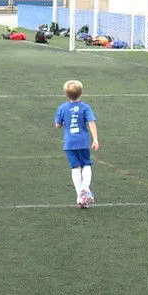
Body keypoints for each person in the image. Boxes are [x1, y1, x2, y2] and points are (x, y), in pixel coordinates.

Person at [55, 80, 99, 208]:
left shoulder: (62, 108)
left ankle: (80, 197)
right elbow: (91, 122)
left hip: (69, 143)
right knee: (86, 164)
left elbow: (57, 125)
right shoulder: (85, 107)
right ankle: (85, 188)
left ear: (66, 94)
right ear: (81, 93)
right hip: (83, 142)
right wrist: (95, 139)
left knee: (75, 168)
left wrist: (63, 122)